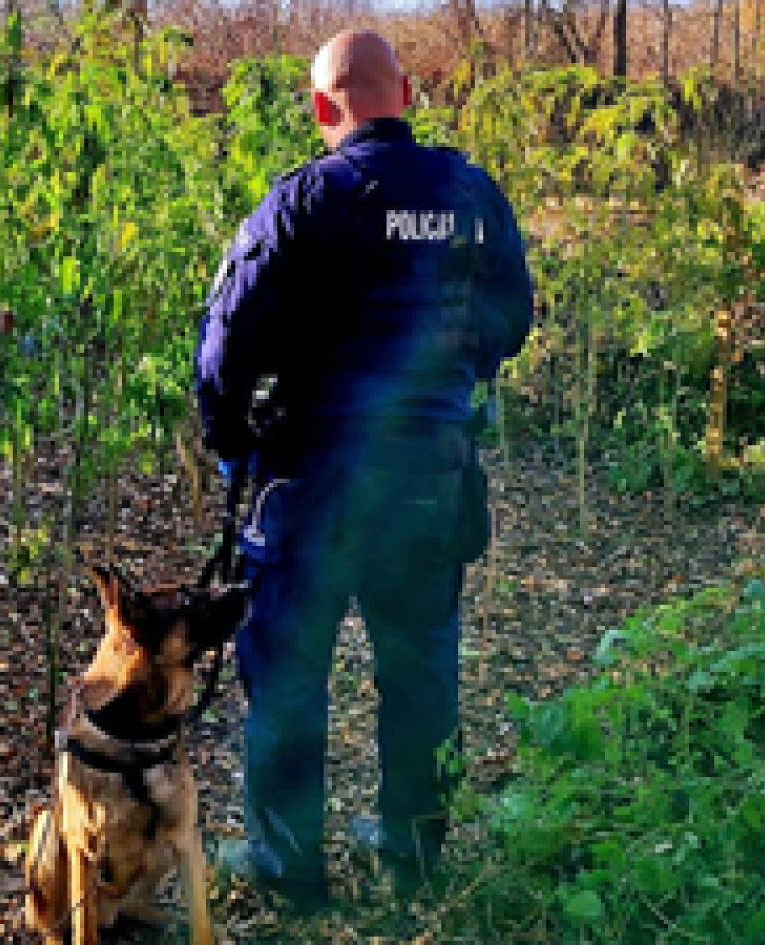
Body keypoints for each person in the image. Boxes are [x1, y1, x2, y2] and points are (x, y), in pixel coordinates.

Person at [194, 29, 534, 909]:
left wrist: (232, 440)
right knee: (421, 676)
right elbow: (513, 317)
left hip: (313, 486)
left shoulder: (304, 200)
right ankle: (413, 862)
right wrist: (451, 376)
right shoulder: (472, 194)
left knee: (288, 678)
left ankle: (288, 872)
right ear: (407, 93)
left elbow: (225, 348)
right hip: (428, 481)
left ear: (321, 108)